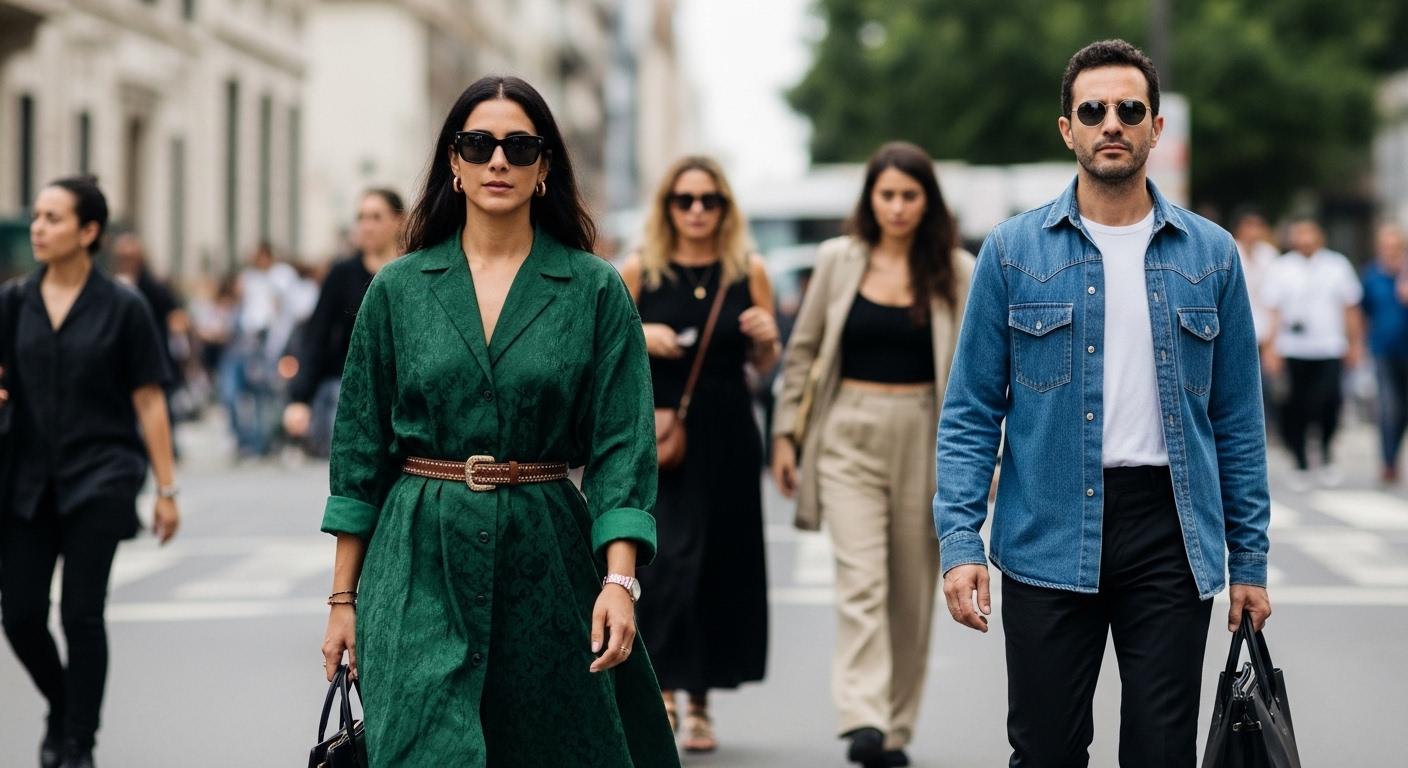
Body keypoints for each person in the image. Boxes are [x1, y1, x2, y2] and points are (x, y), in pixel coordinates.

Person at [317, 75, 678, 767]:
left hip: (546, 555)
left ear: (545, 167)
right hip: (417, 554)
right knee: (429, 749)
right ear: (452, 163)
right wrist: (342, 600)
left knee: (548, 747)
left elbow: (622, 446)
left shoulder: (594, 289)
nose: (498, 162)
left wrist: (618, 581)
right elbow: (359, 453)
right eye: (478, 145)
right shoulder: (398, 288)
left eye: (520, 146)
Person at [935, 40, 1272, 767]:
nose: (1111, 122)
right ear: (1068, 129)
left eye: (1129, 109)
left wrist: (1249, 560)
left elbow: (1238, 422)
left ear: (1155, 128)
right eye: (1093, 110)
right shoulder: (1013, 251)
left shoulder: (1211, 256)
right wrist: (961, 542)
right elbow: (970, 411)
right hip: (1046, 527)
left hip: (1171, 533)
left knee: (1160, 752)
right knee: (1047, 751)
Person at [771, 142, 974, 768]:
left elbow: (978, 373)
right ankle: (863, 716)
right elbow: (802, 352)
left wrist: (982, 460)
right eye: (886, 195)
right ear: (870, 200)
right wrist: (786, 434)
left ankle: (894, 729)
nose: (897, 207)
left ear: (927, 202)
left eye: (909, 195)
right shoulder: (838, 261)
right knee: (860, 580)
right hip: (846, 431)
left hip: (925, 431)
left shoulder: (956, 269)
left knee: (913, 589)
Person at [1, 176, 180, 768]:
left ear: (89, 232)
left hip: (100, 475)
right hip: (25, 478)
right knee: (21, 614)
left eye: (53, 218)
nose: (39, 227)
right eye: (38, 216)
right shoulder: (14, 302)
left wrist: (166, 489)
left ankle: (78, 743)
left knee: (81, 613)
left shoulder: (123, 306)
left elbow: (149, 400)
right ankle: (64, 705)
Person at [620, 157, 779, 753]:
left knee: (717, 567)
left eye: (708, 201)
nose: (695, 211)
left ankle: (701, 704)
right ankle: (659, 690)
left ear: (724, 208)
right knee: (662, 566)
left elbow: (763, 368)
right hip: (659, 438)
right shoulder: (640, 271)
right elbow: (601, 349)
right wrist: (639, 335)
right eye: (683, 200)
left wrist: (766, 342)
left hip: (728, 433)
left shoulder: (748, 270)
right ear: (666, 209)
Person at [283, 189, 405, 457]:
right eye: (361, 217)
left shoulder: (414, 271)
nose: (367, 226)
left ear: (398, 221)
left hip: (404, 394)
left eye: (375, 217)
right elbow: (317, 335)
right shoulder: (342, 274)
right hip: (348, 390)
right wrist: (300, 399)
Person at [1262, 218, 1365, 489]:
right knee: (1294, 405)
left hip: (1329, 346)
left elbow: (1350, 307)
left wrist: (1355, 344)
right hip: (1293, 348)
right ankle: (1300, 460)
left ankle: (1327, 451)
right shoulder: (1282, 268)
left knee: (1328, 401)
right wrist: (1272, 348)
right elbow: (1273, 311)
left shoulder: (1337, 266)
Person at [220, 241, 299, 458]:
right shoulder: (251, 278)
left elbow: (283, 309)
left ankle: (268, 439)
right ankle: (250, 440)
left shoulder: (281, 276)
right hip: (247, 341)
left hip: (271, 343)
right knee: (241, 394)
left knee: (269, 394)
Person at [1359, 222, 1408, 484]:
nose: (1390, 252)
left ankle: (1394, 456)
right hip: (1383, 351)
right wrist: (1360, 346)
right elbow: (1362, 312)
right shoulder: (1372, 276)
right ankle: (1388, 461)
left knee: (1404, 410)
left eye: (1395, 247)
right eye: (1385, 247)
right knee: (1391, 408)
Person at [1232, 209, 1280, 430]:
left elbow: (1276, 299)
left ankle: (1265, 424)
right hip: (1237, 328)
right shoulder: (1231, 250)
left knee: (1266, 383)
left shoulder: (1269, 255)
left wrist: (1273, 339)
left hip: (1263, 328)